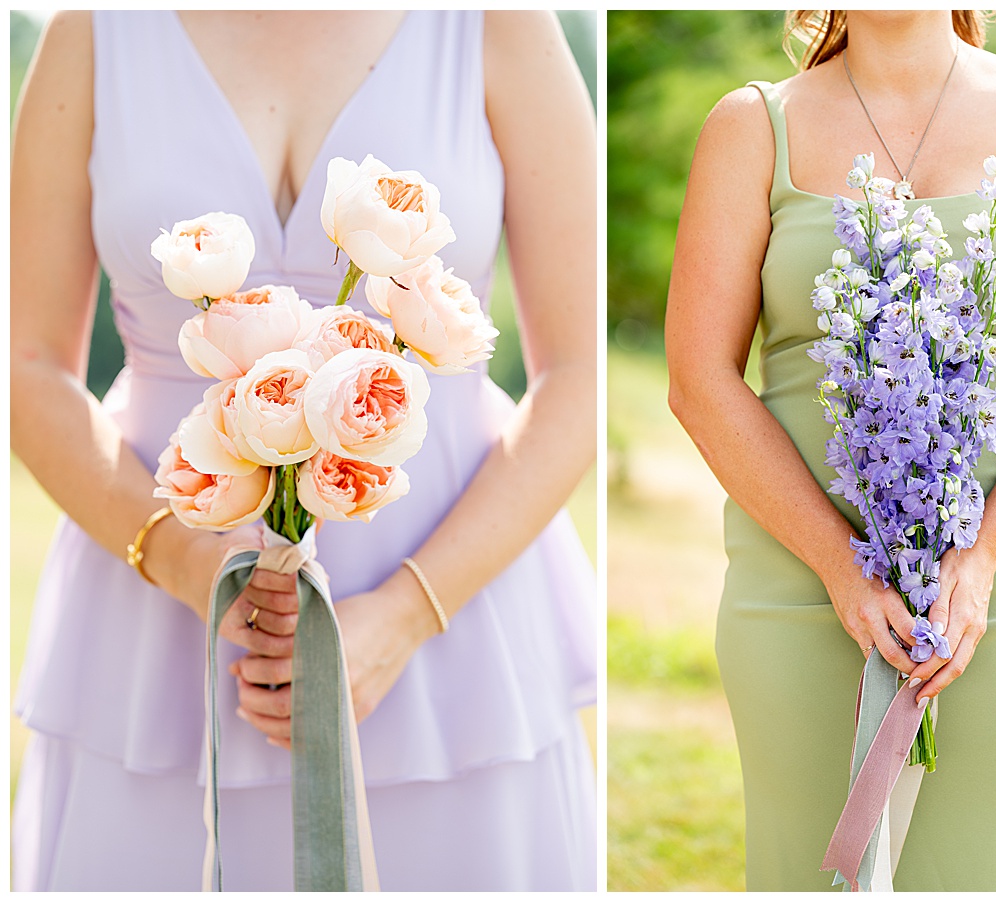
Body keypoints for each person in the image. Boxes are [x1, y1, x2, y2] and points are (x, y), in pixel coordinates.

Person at [11, 10, 597, 891]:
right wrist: (179, 560)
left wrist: (403, 616)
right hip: (152, 627)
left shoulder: (498, 24)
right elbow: (23, 363)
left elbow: (582, 372)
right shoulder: (92, 31)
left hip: (449, 629)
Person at [665, 9, 996, 890]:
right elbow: (699, 379)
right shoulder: (749, 126)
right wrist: (841, 568)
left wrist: (986, 551)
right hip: (801, 595)